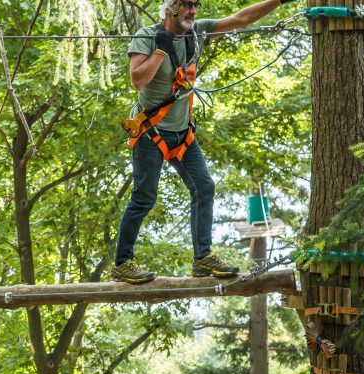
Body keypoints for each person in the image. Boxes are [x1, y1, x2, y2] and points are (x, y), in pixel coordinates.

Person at [111, 0, 295, 284]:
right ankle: (122, 263)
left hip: (183, 133)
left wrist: (280, 0)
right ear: (170, 7)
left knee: (204, 186)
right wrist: (160, 50)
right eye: (186, 5)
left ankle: (202, 259)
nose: (192, 11)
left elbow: (242, 18)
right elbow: (138, 80)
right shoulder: (147, 36)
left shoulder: (198, 32)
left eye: (195, 5)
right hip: (151, 131)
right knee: (144, 197)